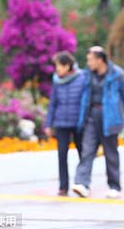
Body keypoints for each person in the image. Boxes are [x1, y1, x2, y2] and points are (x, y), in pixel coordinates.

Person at [72, 46, 124, 199]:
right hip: (91, 114)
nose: (89, 63)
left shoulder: (118, 74)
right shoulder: (87, 75)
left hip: (109, 117)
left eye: (91, 60)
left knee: (110, 152)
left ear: (100, 60)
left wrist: (117, 111)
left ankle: (114, 186)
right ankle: (82, 184)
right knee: (87, 150)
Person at [44, 51, 85, 196]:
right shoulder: (56, 81)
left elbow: (85, 101)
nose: (57, 69)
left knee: (83, 153)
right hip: (61, 123)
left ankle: (83, 183)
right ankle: (63, 186)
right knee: (62, 155)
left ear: (68, 65)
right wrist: (48, 124)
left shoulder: (82, 78)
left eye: (60, 66)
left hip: (78, 123)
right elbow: (53, 104)